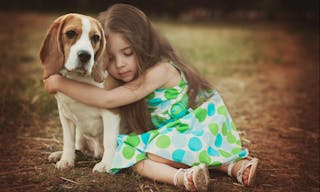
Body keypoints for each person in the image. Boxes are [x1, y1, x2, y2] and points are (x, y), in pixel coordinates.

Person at [43, 3, 259, 191]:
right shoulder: (122, 74)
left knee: (134, 154)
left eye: (128, 53)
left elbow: (107, 101)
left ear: (144, 45)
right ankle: (235, 166)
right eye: (111, 58)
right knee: (142, 150)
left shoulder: (160, 71)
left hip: (192, 131)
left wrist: (60, 82)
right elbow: (98, 90)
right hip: (179, 137)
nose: (119, 65)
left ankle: (182, 178)